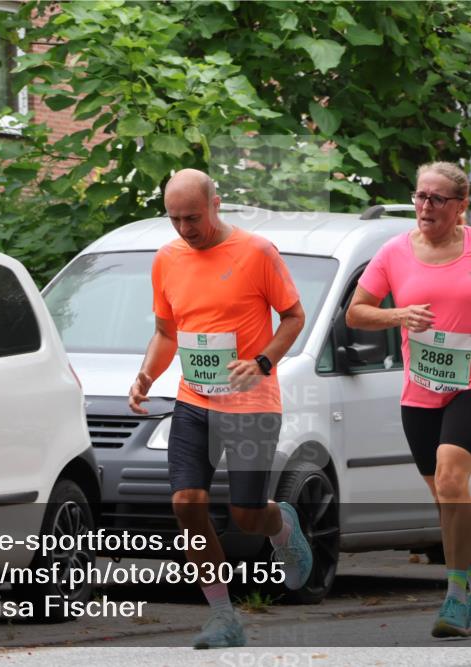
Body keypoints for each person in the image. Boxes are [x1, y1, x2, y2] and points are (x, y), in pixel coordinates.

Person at [346, 161, 471, 638]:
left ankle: (457, 599)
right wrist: (399, 316)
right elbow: (356, 313)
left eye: (436, 199)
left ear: (459, 206)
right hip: (422, 387)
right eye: (420, 196)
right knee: (445, 497)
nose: (425, 207)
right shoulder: (393, 252)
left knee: (453, 479)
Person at [128, 168, 313, 649]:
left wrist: (263, 361)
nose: (185, 229)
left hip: (251, 402)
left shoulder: (256, 252)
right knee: (186, 503)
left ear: (216, 203)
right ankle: (223, 615)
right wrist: (147, 375)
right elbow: (168, 333)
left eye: (193, 217)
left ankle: (282, 524)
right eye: (174, 219)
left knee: (247, 517)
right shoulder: (166, 259)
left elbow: (294, 316)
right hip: (194, 399)